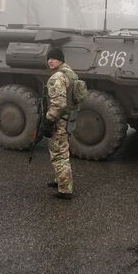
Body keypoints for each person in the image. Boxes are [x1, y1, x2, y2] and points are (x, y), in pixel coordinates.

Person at [40, 48, 77, 200]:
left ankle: (65, 189)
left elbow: (59, 104)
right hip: (69, 118)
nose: (50, 61)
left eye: (54, 58)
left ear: (60, 60)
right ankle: (60, 180)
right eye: (49, 58)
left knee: (59, 155)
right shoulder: (70, 73)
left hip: (59, 121)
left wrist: (48, 120)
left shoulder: (57, 77)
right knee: (63, 150)